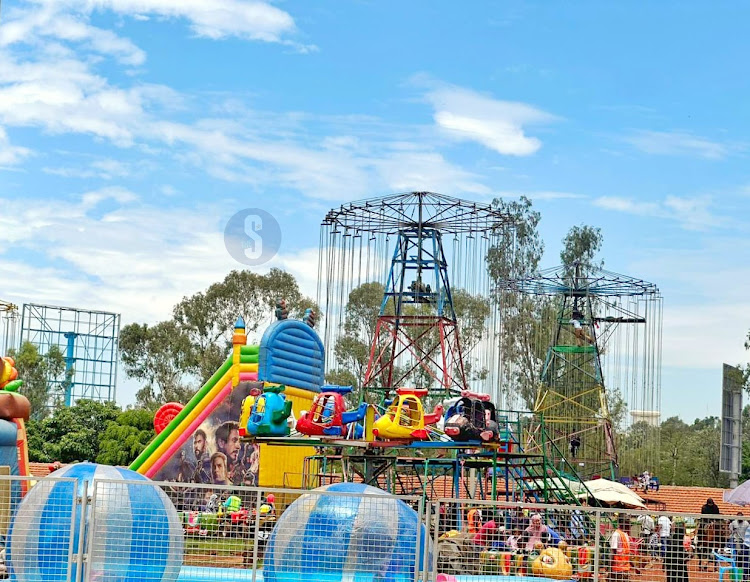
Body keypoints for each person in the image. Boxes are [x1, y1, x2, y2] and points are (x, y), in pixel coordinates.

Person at [609, 515, 632, 582]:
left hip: (625, 568)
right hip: (617, 569)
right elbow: (613, 552)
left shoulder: (625, 534)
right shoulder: (616, 535)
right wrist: (609, 569)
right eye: (628, 523)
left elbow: (627, 553)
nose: (629, 526)